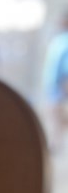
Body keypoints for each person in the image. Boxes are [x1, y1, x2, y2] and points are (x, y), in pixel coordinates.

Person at [42, 12, 68, 152]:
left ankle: (56, 145)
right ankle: (54, 144)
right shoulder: (58, 40)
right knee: (53, 117)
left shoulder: (65, 41)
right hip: (52, 86)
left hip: (61, 88)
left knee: (58, 117)